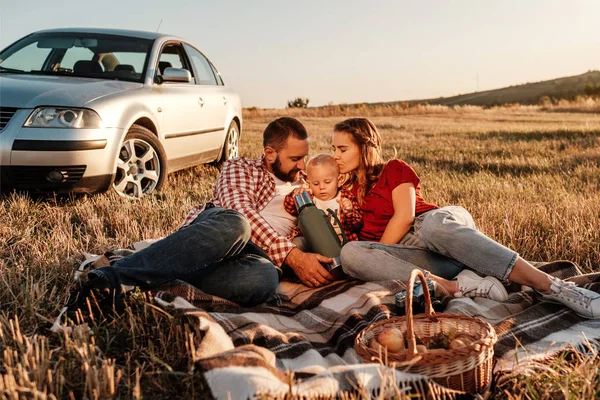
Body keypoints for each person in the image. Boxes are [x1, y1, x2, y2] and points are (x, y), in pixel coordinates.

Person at [58, 117, 338, 325]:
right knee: (237, 225)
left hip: (257, 258)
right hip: (217, 236)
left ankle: (160, 268)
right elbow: (239, 210)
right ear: (269, 153)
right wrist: (290, 255)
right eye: (296, 158)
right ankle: (109, 282)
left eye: (305, 158)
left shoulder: (307, 184)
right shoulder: (240, 167)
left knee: (264, 278)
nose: (303, 165)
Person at [333, 117, 600, 319]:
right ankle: (458, 286)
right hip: (423, 259)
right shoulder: (343, 192)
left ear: (366, 147)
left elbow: (405, 217)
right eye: (333, 149)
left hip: (436, 226)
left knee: (435, 229)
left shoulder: (394, 168)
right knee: (351, 254)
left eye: (342, 149)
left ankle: (552, 286)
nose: (336, 156)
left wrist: (384, 248)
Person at [283, 153, 362, 244]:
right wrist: (296, 195)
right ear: (309, 183)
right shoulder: (309, 197)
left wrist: (349, 212)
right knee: (298, 242)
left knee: (351, 250)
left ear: (339, 181)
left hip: (341, 244)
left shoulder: (346, 197)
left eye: (327, 182)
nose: (322, 187)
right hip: (313, 243)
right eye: (316, 184)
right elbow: (289, 207)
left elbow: (356, 224)